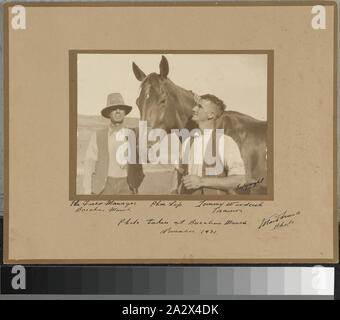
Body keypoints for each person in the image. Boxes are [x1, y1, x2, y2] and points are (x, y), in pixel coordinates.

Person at [179, 94, 246, 195]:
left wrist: (201, 181)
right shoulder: (187, 142)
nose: (193, 109)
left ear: (211, 115)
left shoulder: (225, 142)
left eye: (199, 106)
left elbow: (240, 180)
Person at [83, 93, 137, 195]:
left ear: (125, 112)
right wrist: (87, 190)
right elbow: (89, 164)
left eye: (121, 108)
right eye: (114, 108)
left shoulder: (133, 135)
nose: (117, 111)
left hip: (127, 187)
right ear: (108, 113)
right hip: (104, 187)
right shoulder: (98, 136)